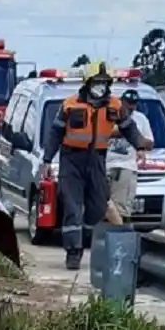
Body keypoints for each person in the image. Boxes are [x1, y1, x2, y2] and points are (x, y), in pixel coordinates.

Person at [41, 63, 146, 270]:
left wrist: (140, 147)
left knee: (99, 206)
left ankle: (87, 238)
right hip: (71, 161)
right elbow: (55, 134)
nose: (101, 86)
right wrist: (47, 159)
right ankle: (73, 252)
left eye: (104, 82)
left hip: (97, 159)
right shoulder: (70, 104)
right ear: (88, 83)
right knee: (72, 207)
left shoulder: (115, 106)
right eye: (97, 82)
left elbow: (129, 128)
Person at [105, 88, 154, 225]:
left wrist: (135, 137)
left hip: (125, 166)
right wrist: (115, 132)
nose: (130, 106)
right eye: (127, 103)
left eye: (133, 104)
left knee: (121, 208)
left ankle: (119, 237)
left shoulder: (141, 119)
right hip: (104, 165)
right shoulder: (110, 115)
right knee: (101, 206)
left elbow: (150, 143)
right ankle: (100, 236)